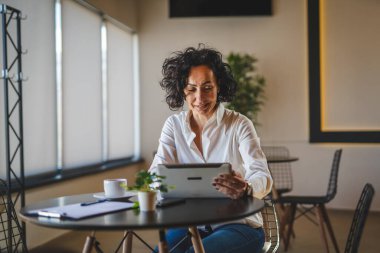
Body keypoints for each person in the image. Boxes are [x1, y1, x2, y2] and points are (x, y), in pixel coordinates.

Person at [149, 44, 273, 253]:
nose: (199, 98)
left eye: (207, 88)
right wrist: (160, 185)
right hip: (192, 225)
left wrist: (246, 188)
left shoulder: (239, 124)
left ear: (219, 88)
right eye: (191, 89)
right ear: (182, 90)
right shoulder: (173, 125)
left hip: (239, 225)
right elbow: (155, 175)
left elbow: (263, 176)